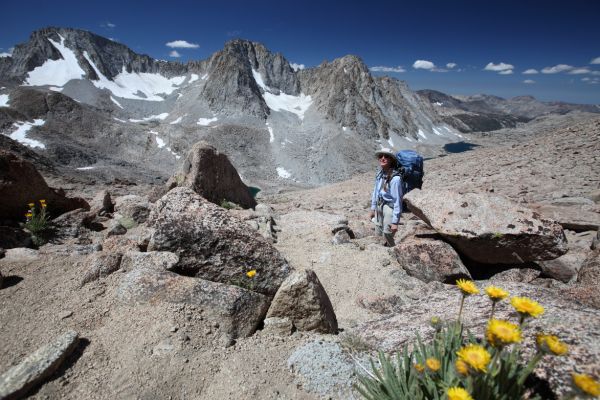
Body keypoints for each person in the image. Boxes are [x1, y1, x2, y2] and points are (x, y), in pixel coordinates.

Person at [368, 148, 403, 246]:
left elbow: (397, 201)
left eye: (386, 156)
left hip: (389, 208)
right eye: (380, 156)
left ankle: (393, 250)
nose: (382, 158)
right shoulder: (380, 174)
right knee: (378, 232)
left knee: (387, 233)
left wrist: (395, 222)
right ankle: (380, 252)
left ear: (391, 160)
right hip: (379, 206)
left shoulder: (395, 179)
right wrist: (373, 208)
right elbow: (376, 191)